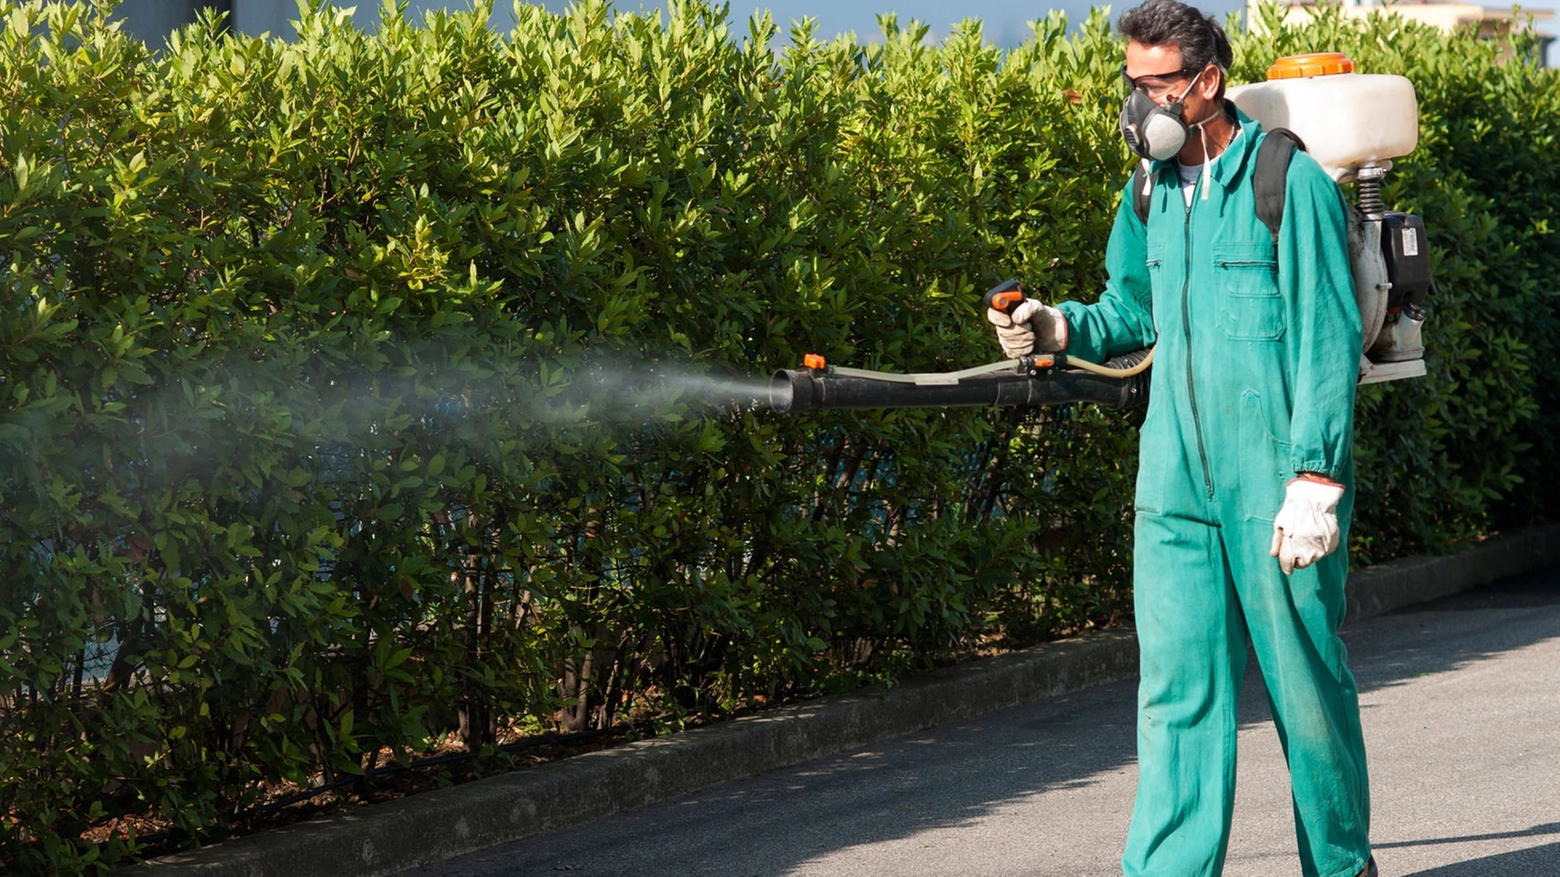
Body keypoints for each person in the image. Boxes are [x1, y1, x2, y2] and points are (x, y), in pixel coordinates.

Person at [988, 3, 1377, 876]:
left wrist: (1317, 477)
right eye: (1131, 85)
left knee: (1307, 690)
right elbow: (1131, 309)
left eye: (1155, 86)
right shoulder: (1149, 192)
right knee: (1176, 698)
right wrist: (1054, 326)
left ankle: (1344, 865)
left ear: (1206, 83)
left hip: (1276, 484)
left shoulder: (1287, 183)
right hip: (1173, 488)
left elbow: (1325, 335)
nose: (1139, 106)